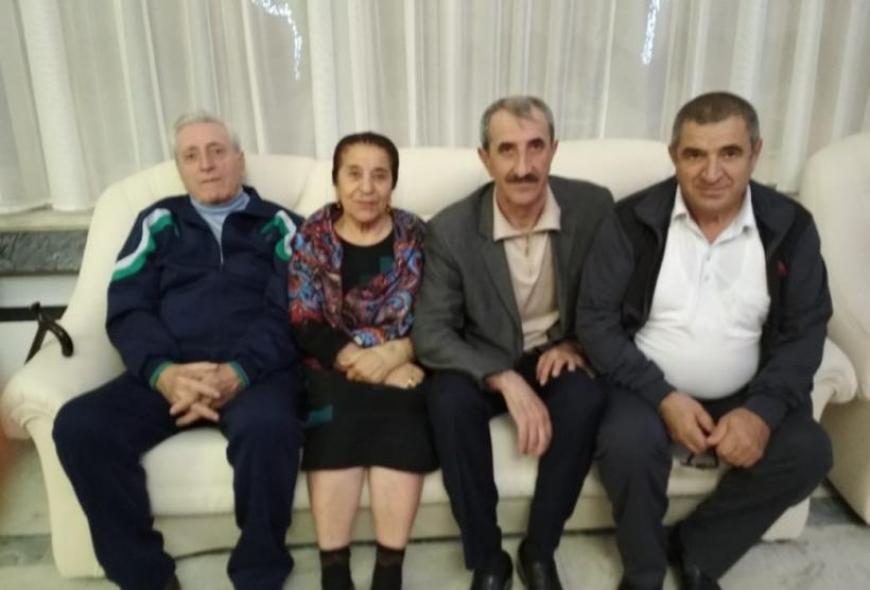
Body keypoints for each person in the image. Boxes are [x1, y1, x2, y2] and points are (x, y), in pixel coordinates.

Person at [578, 91, 833, 590]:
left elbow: (805, 330)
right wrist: (663, 396)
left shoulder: (791, 226)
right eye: (695, 154)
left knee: (810, 451)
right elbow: (596, 322)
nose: (711, 173)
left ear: (756, 153)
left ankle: (699, 550)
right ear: (674, 156)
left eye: (729, 153)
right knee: (628, 443)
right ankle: (644, 571)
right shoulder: (630, 220)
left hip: (746, 389)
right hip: (643, 386)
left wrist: (761, 412)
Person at [52, 112, 305, 590]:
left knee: (270, 428)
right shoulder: (156, 222)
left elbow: (294, 311)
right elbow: (128, 308)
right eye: (192, 155)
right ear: (180, 169)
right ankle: (146, 577)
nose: (206, 164)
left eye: (217, 151)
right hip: (170, 371)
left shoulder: (282, 226)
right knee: (80, 426)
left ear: (239, 160)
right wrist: (164, 373)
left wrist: (239, 371)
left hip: (256, 373)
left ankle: (259, 574)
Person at [413, 96, 613, 590]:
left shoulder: (593, 207)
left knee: (586, 398)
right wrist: (500, 377)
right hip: (482, 357)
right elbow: (431, 331)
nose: (523, 166)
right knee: (447, 400)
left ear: (554, 149)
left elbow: (614, 299)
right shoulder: (451, 229)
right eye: (507, 150)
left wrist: (576, 346)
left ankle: (539, 550)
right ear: (485, 158)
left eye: (535, 147)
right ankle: (488, 558)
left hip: (556, 352)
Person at [288, 131, 436, 590]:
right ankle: (334, 572)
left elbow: (439, 313)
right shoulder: (313, 235)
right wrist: (364, 362)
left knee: (404, 407)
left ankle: (389, 573)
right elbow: (303, 318)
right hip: (328, 363)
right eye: (354, 174)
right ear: (336, 181)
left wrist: (395, 355)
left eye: (379, 175)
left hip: (405, 361)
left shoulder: (417, 237)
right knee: (333, 409)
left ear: (393, 183)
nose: (366, 188)